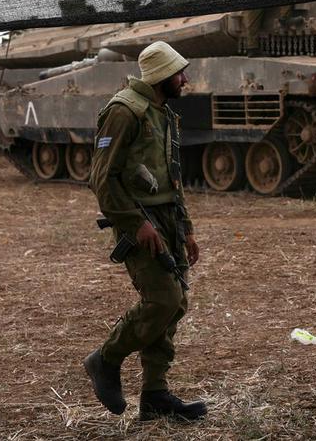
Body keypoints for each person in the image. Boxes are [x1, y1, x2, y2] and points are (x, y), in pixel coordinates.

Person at [84, 41, 206, 422]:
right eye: (179, 73)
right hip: (139, 222)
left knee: (175, 305)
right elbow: (101, 180)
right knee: (162, 300)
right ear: (161, 77)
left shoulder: (162, 112)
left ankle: (155, 394)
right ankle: (105, 359)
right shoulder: (124, 111)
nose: (184, 80)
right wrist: (136, 225)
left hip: (167, 222)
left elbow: (172, 176)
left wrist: (185, 229)